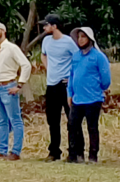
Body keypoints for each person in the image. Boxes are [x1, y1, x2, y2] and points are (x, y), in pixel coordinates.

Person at [0, 21, 30, 160]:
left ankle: (15, 151)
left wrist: (19, 85)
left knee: (14, 119)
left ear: (3, 31)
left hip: (8, 85)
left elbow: (26, 65)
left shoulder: (11, 48)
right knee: (1, 120)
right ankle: (2, 149)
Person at [62, 27, 111, 162]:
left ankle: (93, 155)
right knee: (72, 126)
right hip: (77, 98)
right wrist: (70, 93)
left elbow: (106, 78)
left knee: (92, 127)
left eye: (83, 37)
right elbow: (71, 75)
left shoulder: (98, 56)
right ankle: (74, 154)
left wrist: (98, 88)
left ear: (90, 39)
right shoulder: (76, 56)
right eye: (79, 37)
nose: (80, 39)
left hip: (93, 99)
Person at [39, 15, 72, 162]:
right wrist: (49, 69)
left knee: (71, 119)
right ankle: (54, 151)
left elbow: (77, 58)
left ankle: (73, 150)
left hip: (65, 85)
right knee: (53, 120)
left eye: (46, 25)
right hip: (51, 84)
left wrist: (71, 76)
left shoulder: (68, 42)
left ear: (55, 26)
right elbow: (43, 55)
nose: (44, 28)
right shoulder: (46, 41)